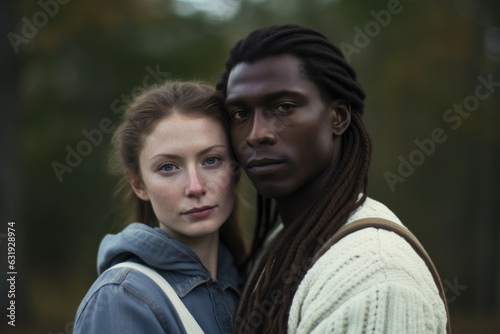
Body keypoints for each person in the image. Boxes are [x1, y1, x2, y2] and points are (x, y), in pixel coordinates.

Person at [216, 24, 449, 333]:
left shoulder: (376, 278)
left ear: (337, 117)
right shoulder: (283, 241)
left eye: (283, 107)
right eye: (240, 114)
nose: (257, 134)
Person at [73, 81, 244, 333]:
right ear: (138, 184)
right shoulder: (121, 300)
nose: (195, 187)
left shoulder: (247, 282)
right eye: (168, 167)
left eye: (211, 160)